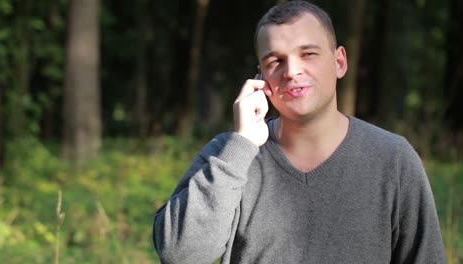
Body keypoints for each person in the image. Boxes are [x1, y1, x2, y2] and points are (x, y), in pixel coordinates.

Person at [153, 1, 447, 263]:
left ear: (339, 62)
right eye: (275, 61)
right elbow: (180, 255)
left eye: (308, 54)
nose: (291, 70)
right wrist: (241, 144)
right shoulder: (230, 155)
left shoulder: (393, 159)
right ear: (261, 78)